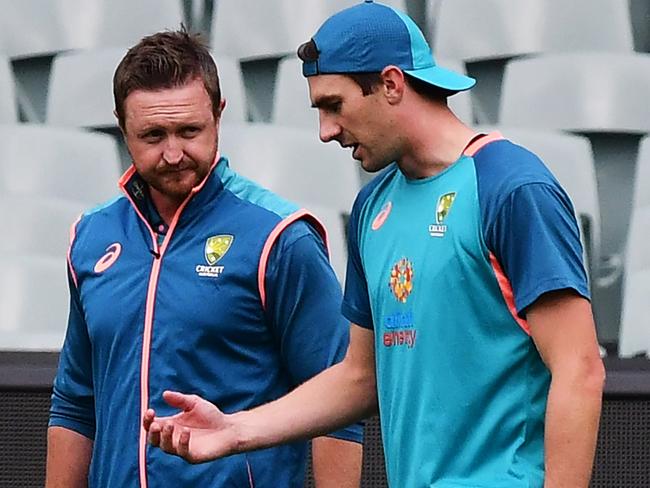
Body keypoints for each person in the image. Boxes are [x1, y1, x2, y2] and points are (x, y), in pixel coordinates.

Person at [143, 2, 606, 487]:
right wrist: (235, 429)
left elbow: (579, 370)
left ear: (390, 83)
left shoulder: (511, 188)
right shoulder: (371, 209)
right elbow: (359, 378)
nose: (325, 132)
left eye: (334, 105)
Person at [46, 28, 364, 488]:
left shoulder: (280, 238)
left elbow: (339, 405)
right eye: (153, 135)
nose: (173, 153)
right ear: (121, 126)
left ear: (218, 114)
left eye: (189, 131)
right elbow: (75, 403)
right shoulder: (91, 237)